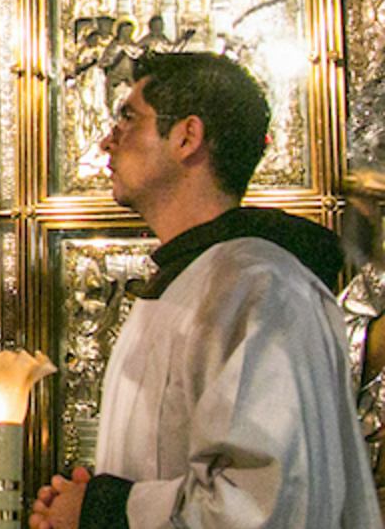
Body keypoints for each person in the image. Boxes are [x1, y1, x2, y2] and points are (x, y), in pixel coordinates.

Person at [28, 53, 381, 529]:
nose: (107, 140)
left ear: (187, 137)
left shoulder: (263, 289)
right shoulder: (193, 281)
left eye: (128, 119)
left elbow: (267, 505)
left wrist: (101, 510)